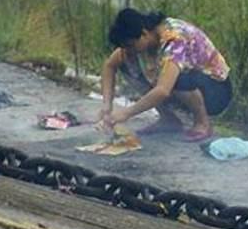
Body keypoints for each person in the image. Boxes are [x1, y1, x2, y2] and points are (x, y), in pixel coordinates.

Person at [98, 8, 232, 142]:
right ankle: (169, 120)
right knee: (127, 65)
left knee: (176, 78)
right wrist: (106, 105)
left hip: (215, 90)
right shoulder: (143, 40)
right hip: (186, 86)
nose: (129, 50)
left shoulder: (174, 38)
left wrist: (126, 113)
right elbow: (109, 66)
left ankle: (202, 123)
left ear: (144, 33)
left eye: (131, 45)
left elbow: (163, 90)